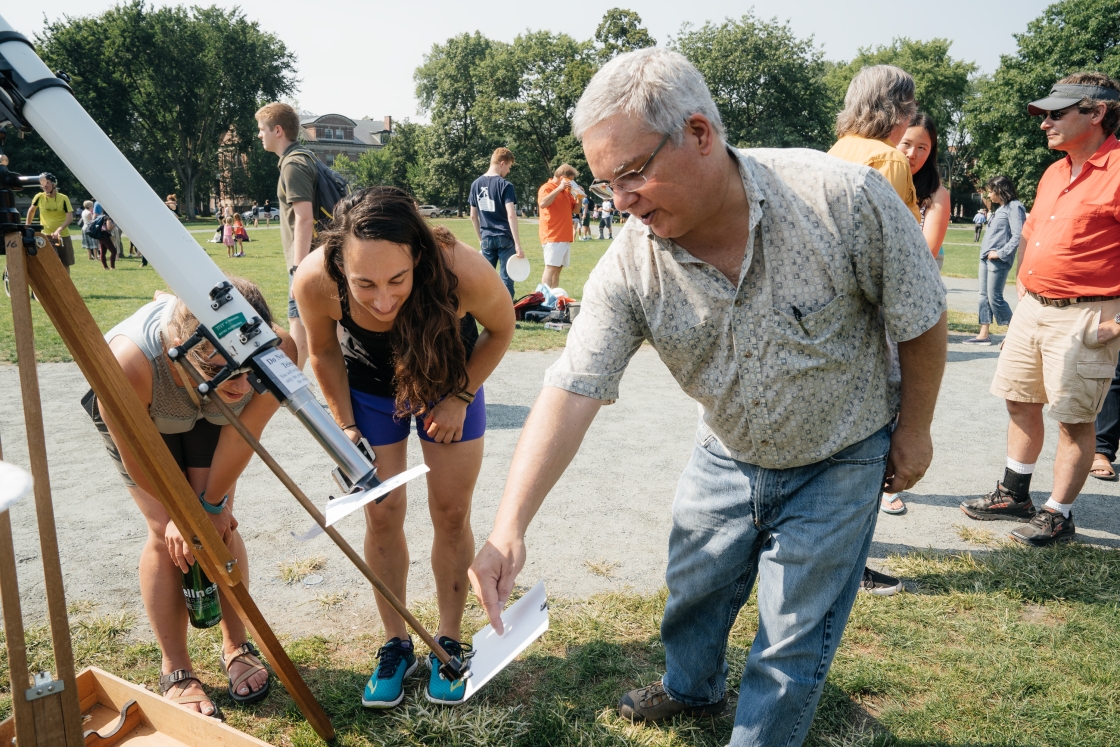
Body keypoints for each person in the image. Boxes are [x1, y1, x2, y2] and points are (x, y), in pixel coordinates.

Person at [467, 48, 946, 744]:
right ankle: (691, 690)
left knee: (791, 641)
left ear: (699, 134)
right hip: (723, 454)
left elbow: (920, 316)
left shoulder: (840, 197)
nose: (622, 201)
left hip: (839, 457)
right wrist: (508, 526)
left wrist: (917, 430)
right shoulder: (631, 263)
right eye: (606, 185)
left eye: (631, 173)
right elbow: (571, 388)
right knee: (693, 590)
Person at [293, 187, 515, 709]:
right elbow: (323, 351)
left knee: (452, 512)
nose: (384, 299)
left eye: (397, 280)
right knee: (382, 514)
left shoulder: (459, 267)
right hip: (369, 392)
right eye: (364, 283)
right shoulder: (314, 280)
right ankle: (396, 642)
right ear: (339, 267)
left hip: (448, 382)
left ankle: (448, 639)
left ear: (417, 255)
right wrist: (344, 427)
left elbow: (502, 329)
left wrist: (461, 397)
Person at [83, 277, 293, 717]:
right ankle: (176, 669)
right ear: (179, 342)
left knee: (215, 528)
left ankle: (236, 646)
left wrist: (212, 507)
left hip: (209, 413)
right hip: (148, 407)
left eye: (245, 369)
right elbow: (139, 456)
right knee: (166, 534)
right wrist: (179, 514)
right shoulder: (127, 365)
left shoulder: (278, 353)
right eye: (220, 367)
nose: (238, 383)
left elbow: (245, 434)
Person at [960, 72, 1120, 546]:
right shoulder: (1054, 171)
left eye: (1056, 113)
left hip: (1086, 315)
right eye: (1044, 114)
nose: (1044, 123)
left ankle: (1059, 513)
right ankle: (1015, 493)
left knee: (1074, 417)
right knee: (1019, 399)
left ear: (1096, 113)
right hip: (1034, 308)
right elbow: (1032, 240)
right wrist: (1025, 298)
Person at [828, 64, 922, 591]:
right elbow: (896, 255)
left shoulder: (837, 149)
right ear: (900, 110)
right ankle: (849, 564)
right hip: (867, 317)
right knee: (867, 438)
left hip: (829, 313)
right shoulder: (886, 159)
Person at [256, 102, 316, 367]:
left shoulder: (293, 165)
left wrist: (298, 270)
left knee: (298, 324)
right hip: (318, 258)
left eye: (262, 129)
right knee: (322, 326)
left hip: (305, 261)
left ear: (277, 130)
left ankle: (293, 390)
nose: (259, 135)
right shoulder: (306, 156)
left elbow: (304, 217)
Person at [828, 65, 921, 223]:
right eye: (912, 106)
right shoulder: (890, 159)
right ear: (900, 111)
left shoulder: (835, 151)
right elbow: (889, 231)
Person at [962, 176, 1025, 346]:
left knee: (994, 297)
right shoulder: (1001, 208)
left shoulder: (1015, 207)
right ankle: (983, 335)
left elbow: (1019, 235)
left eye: (990, 191)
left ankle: (1016, 335)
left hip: (998, 260)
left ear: (1000, 190)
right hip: (985, 258)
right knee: (983, 296)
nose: (989, 195)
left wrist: (1000, 253)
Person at [898, 112, 950, 270]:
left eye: (922, 148)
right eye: (906, 143)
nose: (912, 154)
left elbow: (928, 252)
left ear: (930, 153)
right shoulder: (878, 182)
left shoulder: (937, 194)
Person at [469, 148, 523, 299]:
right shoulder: (506, 185)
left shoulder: (475, 184)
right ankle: (506, 320)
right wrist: (518, 244)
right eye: (509, 167)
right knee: (506, 280)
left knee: (484, 280)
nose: (509, 171)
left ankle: (485, 316)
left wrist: (481, 239)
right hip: (505, 237)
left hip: (486, 237)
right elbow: (511, 214)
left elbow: (473, 217)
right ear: (502, 163)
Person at [537, 164, 580, 289]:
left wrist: (579, 197)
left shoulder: (567, 191)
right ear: (562, 178)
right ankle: (544, 297)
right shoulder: (547, 187)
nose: (572, 183)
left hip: (564, 236)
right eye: (570, 180)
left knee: (557, 268)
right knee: (550, 267)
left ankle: (554, 296)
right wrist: (559, 189)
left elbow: (576, 211)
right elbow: (543, 203)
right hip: (553, 235)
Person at [25, 173, 75, 275]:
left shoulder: (63, 198)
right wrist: (27, 227)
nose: (45, 186)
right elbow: (31, 211)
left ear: (54, 184)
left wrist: (59, 230)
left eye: (47, 183)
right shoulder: (39, 197)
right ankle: (54, 285)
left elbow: (69, 218)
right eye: (43, 183)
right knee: (52, 261)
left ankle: (66, 287)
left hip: (63, 235)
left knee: (66, 263)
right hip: (46, 235)